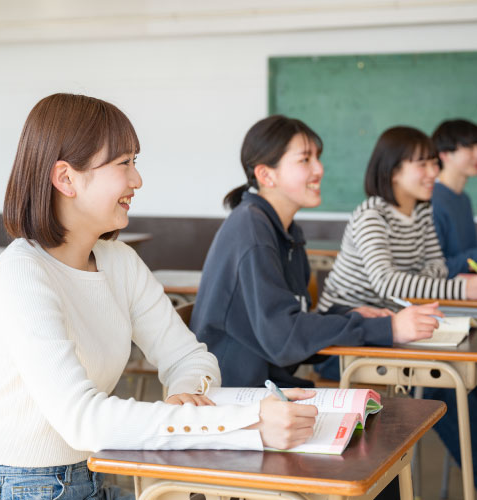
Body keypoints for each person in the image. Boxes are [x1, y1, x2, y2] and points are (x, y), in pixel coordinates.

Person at [0, 95, 319, 499]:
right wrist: (245, 423)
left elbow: (191, 357)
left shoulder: (118, 261)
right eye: (124, 164)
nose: (137, 180)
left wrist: (187, 392)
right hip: (23, 487)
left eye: (135, 162)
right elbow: (82, 420)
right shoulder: (22, 271)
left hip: (95, 474)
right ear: (66, 178)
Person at [190, 116, 442, 390]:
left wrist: (352, 316)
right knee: (382, 415)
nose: (319, 169)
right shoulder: (252, 230)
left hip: (269, 384)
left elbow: (288, 325)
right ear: (266, 175)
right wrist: (387, 329)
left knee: (385, 412)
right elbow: (284, 338)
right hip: (235, 393)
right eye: (305, 160)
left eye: (317, 158)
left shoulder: (285, 230)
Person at [317, 125, 477, 488]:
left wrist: (442, 282)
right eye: (422, 165)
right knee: (444, 385)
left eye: (434, 164)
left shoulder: (421, 212)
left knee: (460, 383)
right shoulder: (371, 214)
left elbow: (433, 266)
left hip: (394, 327)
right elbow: (387, 283)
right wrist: (459, 288)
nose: (433, 173)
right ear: (392, 171)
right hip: (345, 333)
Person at [431, 119, 477, 277]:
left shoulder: (464, 199)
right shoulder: (432, 200)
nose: (476, 154)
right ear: (444, 154)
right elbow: (435, 267)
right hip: (444, 294)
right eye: (469, 148)